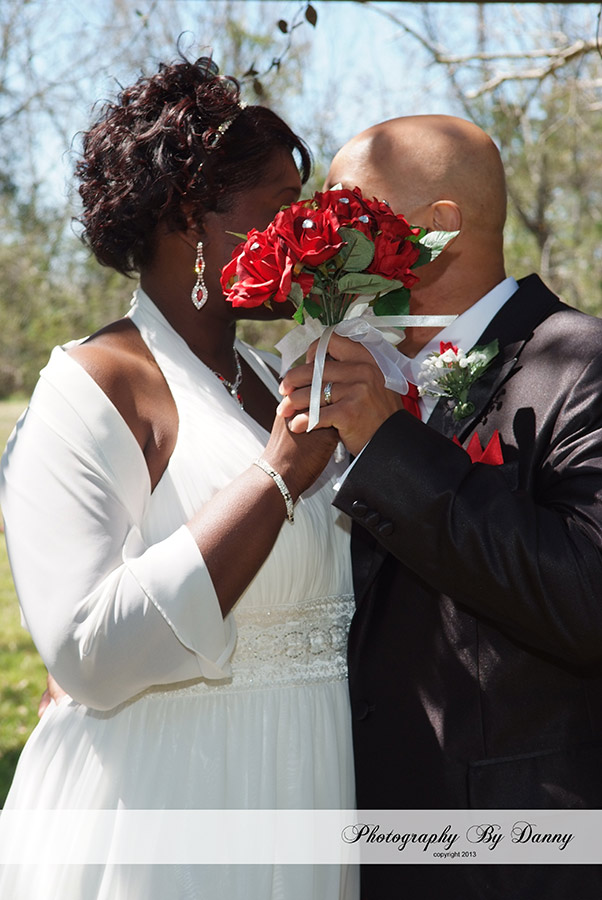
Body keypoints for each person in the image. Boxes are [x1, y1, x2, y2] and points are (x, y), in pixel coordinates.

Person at [0, 57, 358, 899]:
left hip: (306, 788)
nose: (306, 230)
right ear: (188, 215)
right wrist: (276, 479)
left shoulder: (274, 379)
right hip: (168, 807)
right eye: (281, 206)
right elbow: (84, 653)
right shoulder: (92, 386)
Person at [279, 114, 602, 898]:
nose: (325, 234)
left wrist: (391, 447)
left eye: (350, 210)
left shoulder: (580, 364)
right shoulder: (368, 373)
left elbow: (588, 597)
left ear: (439, 228)